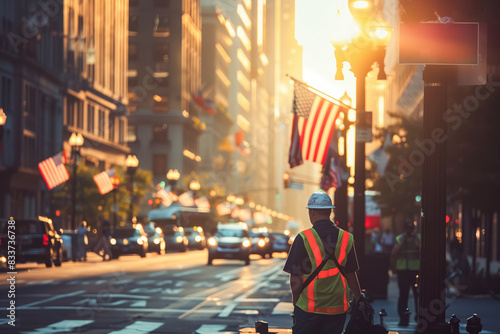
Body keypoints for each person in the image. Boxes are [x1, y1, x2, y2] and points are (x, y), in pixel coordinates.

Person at [283, 191, 363, 334]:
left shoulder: (303, 238)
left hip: (308, 308)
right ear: (330, 211)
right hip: (337, 308)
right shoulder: (346, 238)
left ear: (312, 212)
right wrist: (359, 299)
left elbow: (295, 277)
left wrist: (296, 302)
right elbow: (351, 274)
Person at [390, 220, 420, 326]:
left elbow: (422, 249)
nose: (409, 230)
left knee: (418, 294)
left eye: (411, 228)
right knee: (403, 295)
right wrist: (403, 241)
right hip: (403, 270)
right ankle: (403, 317)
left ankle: (419, 316)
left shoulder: (418, 238)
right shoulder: (399, 238)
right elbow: (394, 252)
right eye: (408, 228)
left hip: (415, 270)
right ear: (404, 229)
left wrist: (415, 239)